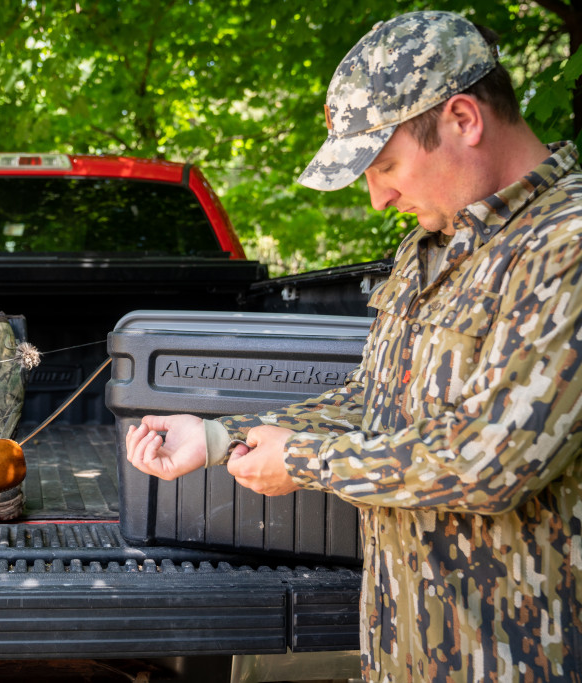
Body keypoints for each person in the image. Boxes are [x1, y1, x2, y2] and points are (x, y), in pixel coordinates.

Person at [124, 10, 582, 682]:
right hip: (406, 655)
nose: (377, 198)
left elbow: (493, 461)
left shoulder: (566, 245)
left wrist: (304, 459)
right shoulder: (432, 246)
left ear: (463, 119)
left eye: (386, 164)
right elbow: (374, 403)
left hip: (521, 660)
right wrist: (222, 438)